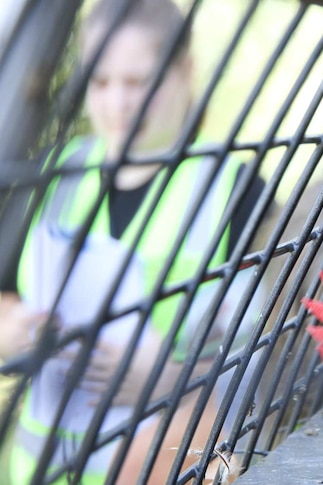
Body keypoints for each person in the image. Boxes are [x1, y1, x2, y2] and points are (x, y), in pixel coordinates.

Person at [0, 0, 267, 483]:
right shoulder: (54, 173)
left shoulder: (237, 188)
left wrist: (174, 380)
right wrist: (11, 331)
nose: (118, 104)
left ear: (185, 71)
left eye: (137, 82)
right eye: (100, 83)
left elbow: (271, 355)